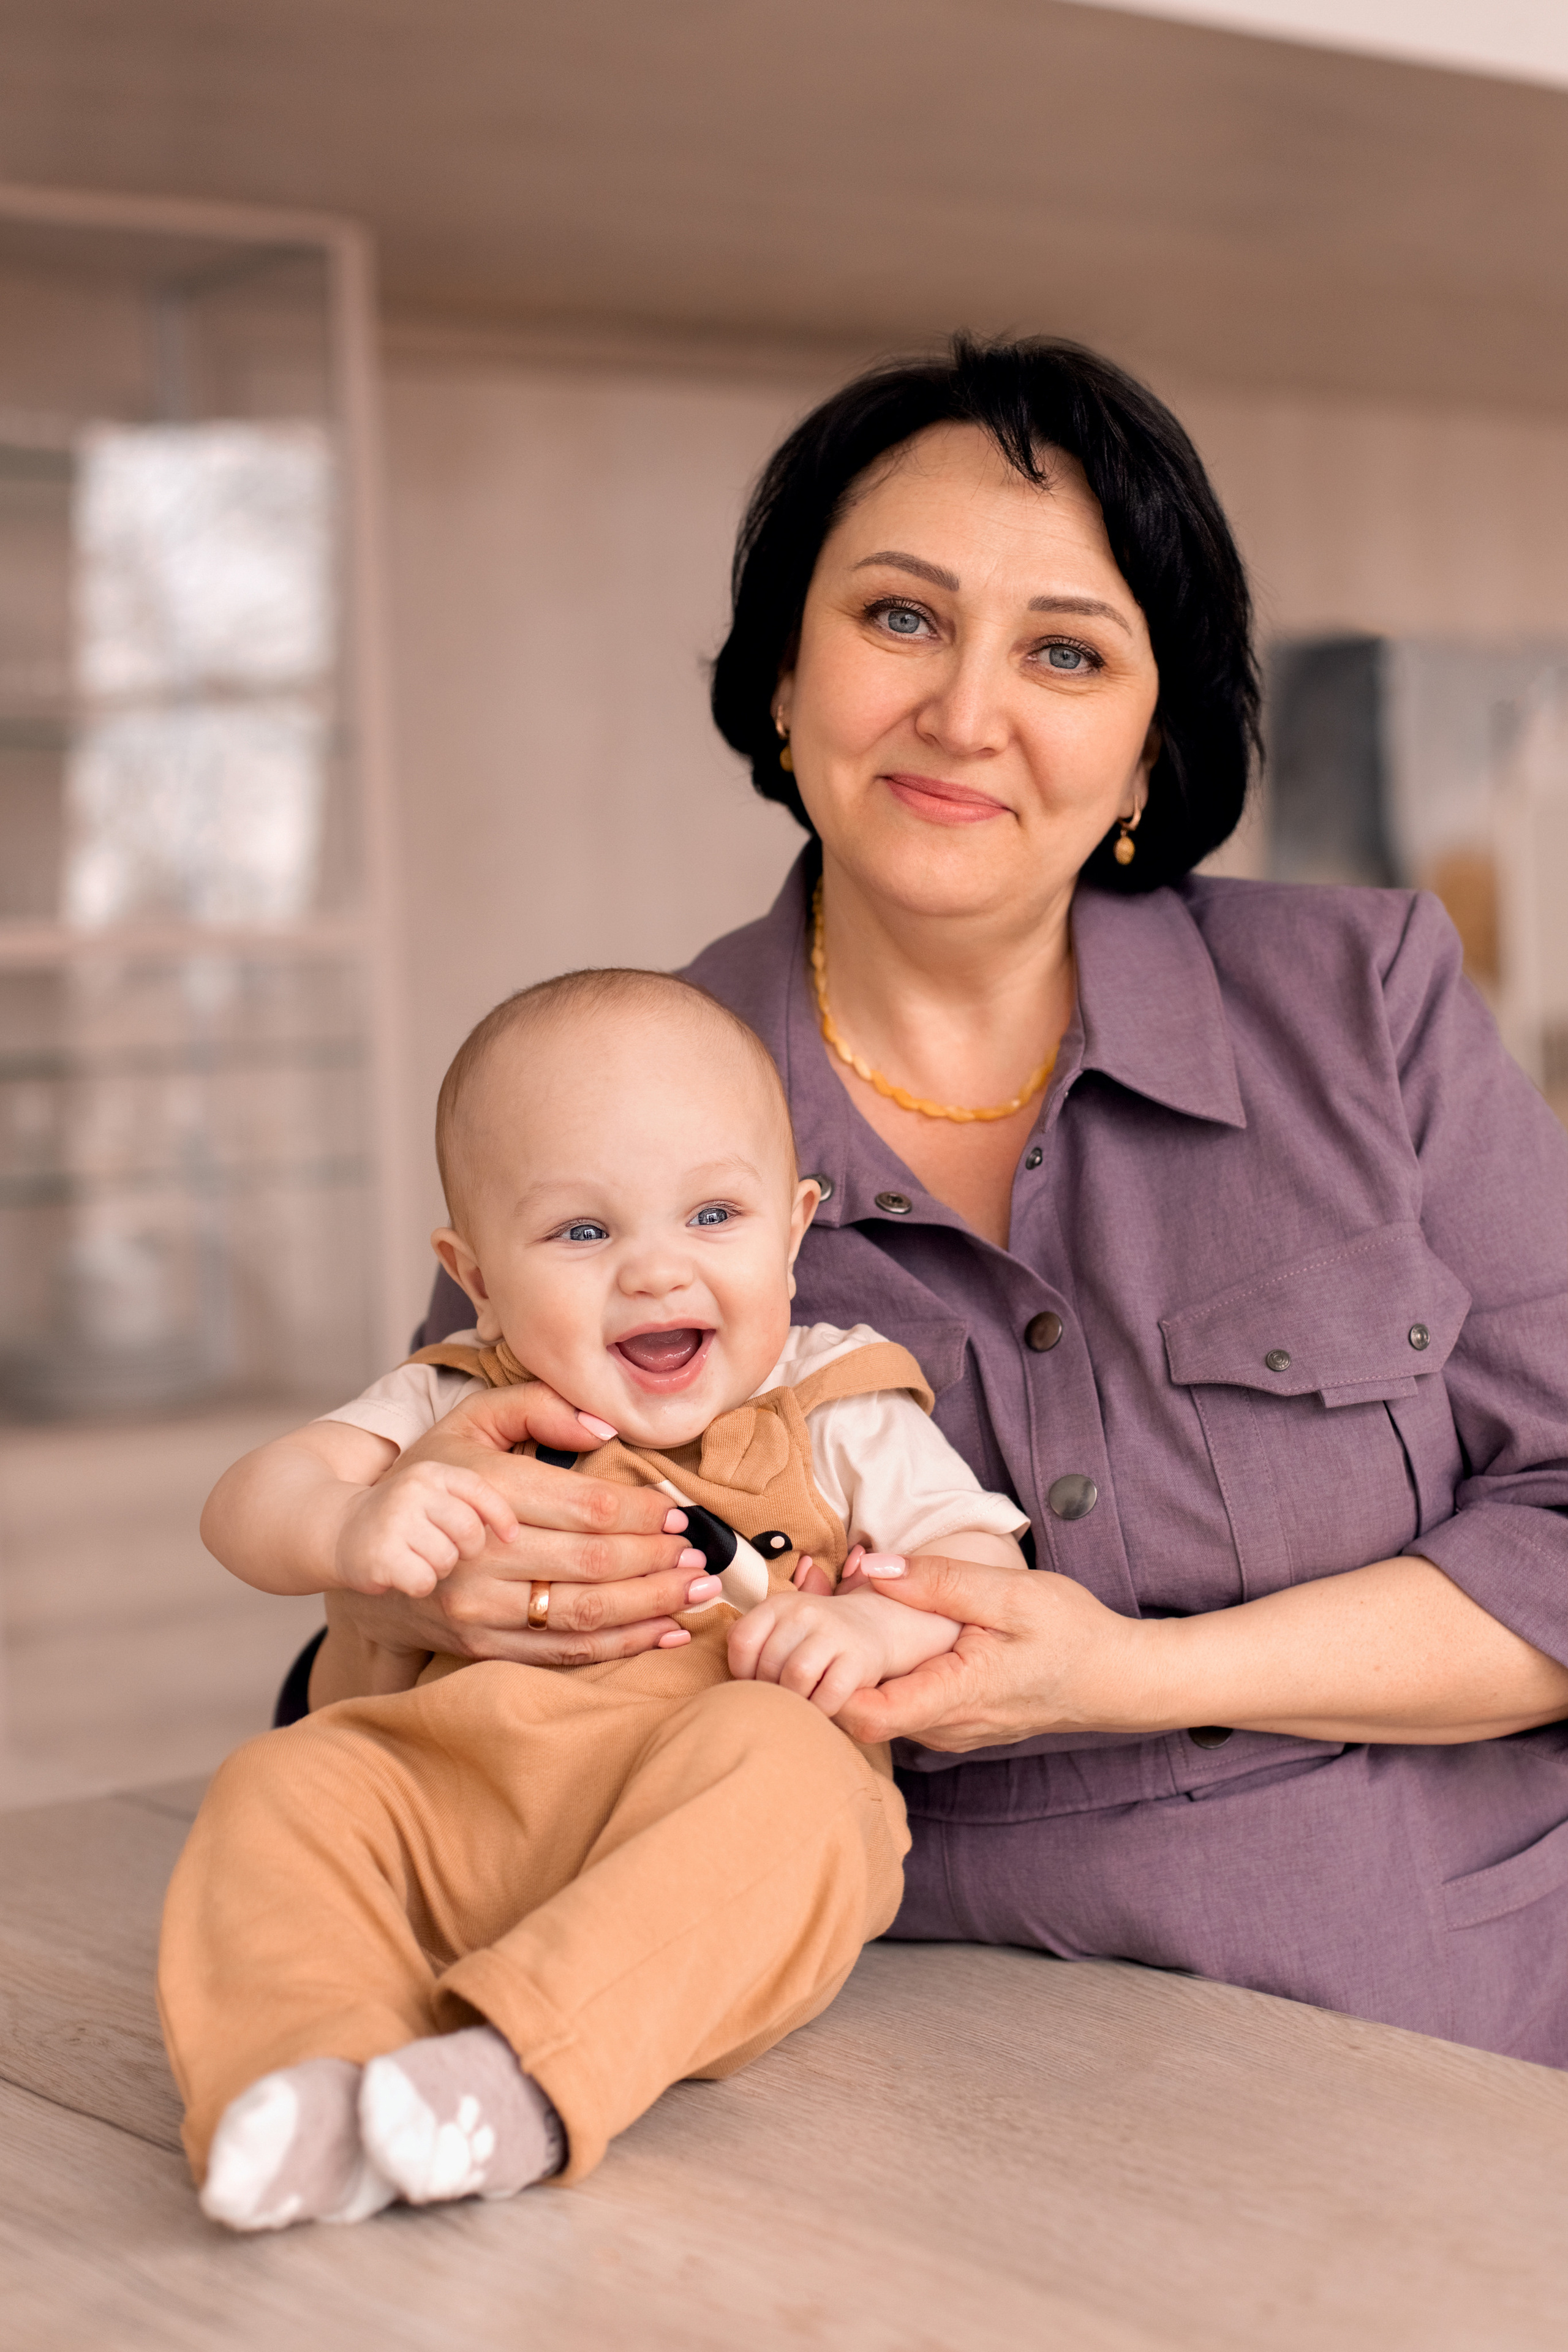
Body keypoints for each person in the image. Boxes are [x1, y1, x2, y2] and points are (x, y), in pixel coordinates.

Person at [290, 335, 1568, 2067]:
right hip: (886, 2067)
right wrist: (428, 1596)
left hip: (1455, 2021)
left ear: (1145, 757)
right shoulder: (593, 1095)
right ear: (780, 686)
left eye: (1065, 651)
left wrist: (1123, 1673)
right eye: (900, 618)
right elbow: (397, 1634)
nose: (967, 713)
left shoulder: (1369, 999)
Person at [163, 968, 1028, 2230]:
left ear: (792, 1230)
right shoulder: (452, 1396)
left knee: (797, 1775)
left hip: (690, 1855)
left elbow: (978, 1575)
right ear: (475, 1274)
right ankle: (313, 2083)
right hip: (449, 1810)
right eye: (581, 1233)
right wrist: (349, 1519)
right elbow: (244, 1506)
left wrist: (866, 1625)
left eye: (713, 1214)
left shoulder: (834, 1400)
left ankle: (520, 2079)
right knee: (279, 1789)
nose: (654, 1273)